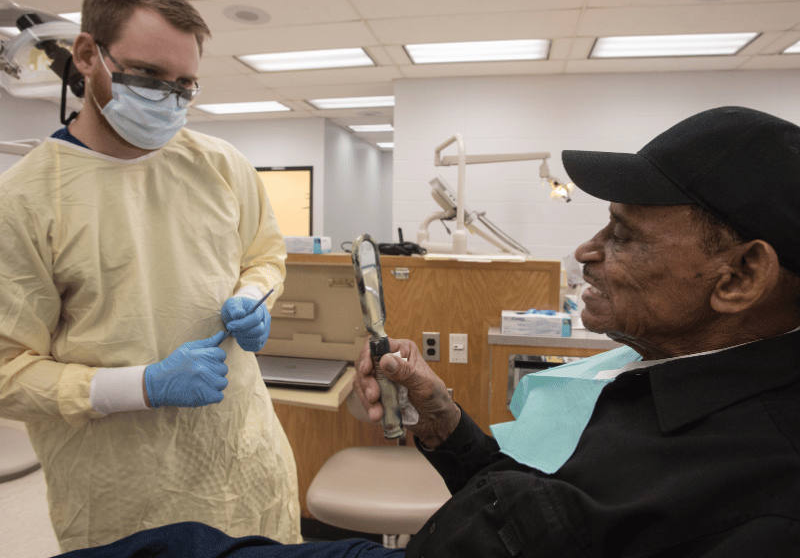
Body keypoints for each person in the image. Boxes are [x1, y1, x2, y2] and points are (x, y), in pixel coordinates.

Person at [52, 105, 800, 557]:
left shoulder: (752, 505)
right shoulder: (673, 390)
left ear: (739, 277)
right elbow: (543, 525)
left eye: (625, 234)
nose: (587, 253)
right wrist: (445, 423)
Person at [0, 0, 301, 553]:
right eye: (149, 77)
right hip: (124, 496)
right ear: (87, 55)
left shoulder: (219, 164)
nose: (169, 98)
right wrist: (139, 386)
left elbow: (265, 255)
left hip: (246, 466)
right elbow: (8, 371)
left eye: (185, 84)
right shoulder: (26, 200)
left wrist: (257, 294)